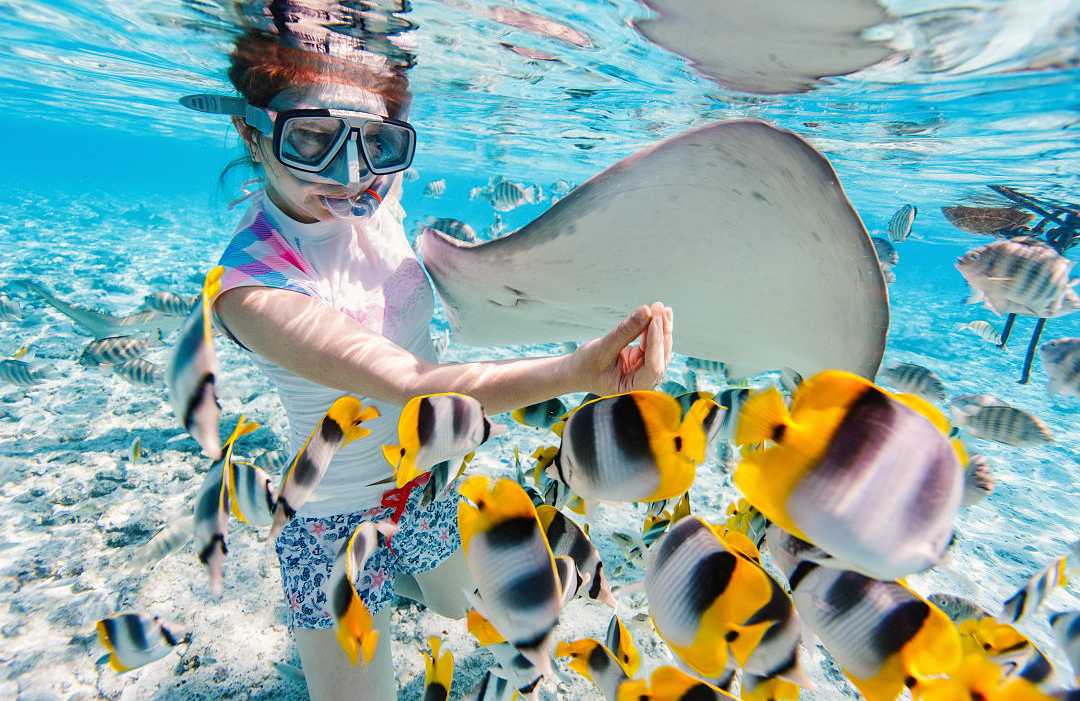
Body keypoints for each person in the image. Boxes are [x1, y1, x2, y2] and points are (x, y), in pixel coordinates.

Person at [182, 31, 673, 701]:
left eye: (374, 145)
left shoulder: (382, 191)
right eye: (309, 140)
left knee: (452, 606)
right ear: (251, 129)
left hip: (428, 479)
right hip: (330, 526)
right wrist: (577, 371)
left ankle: (404, 583)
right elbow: (411, 385)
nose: (350, 175)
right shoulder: (250, 286)